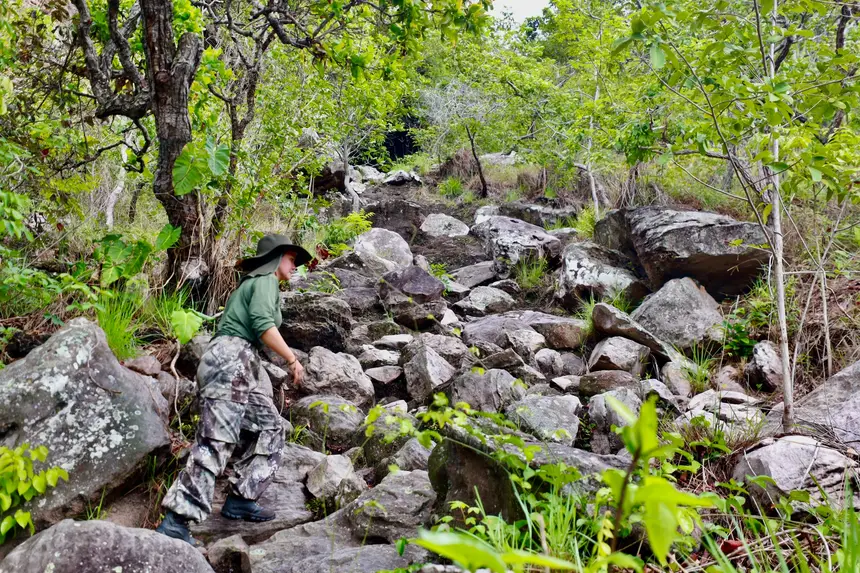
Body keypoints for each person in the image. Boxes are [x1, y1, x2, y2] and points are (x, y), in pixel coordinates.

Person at [156, 234, 312, 545]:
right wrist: (293, 360)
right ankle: (176, 520)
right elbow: (262, 324)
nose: (294, 266)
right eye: (292, 259)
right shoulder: (265, 280)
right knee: (217, 440)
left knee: (271, 426)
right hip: (231, 362)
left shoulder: (258, 283)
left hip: (239, 365)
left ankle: (241, 497)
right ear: (276, 258)